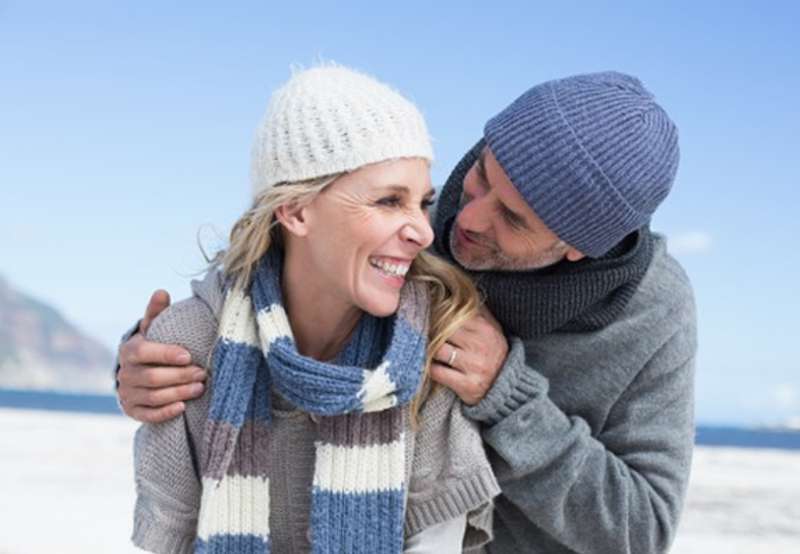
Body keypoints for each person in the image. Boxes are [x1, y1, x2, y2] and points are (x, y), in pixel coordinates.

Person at [119, 71, 696, 554]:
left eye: (512, 220)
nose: (462, 220)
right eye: (481, 176)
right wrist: (161, 356)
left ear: (577, 249)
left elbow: (642, 531)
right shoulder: (420, 223)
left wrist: (510, 399)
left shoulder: (654, 313)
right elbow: (281, 269)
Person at [129, 65, 500, 554]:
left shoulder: (432, 348)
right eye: (389, 201)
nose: (424, 232)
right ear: (296, 211)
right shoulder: (190, 347)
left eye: (422, 203)